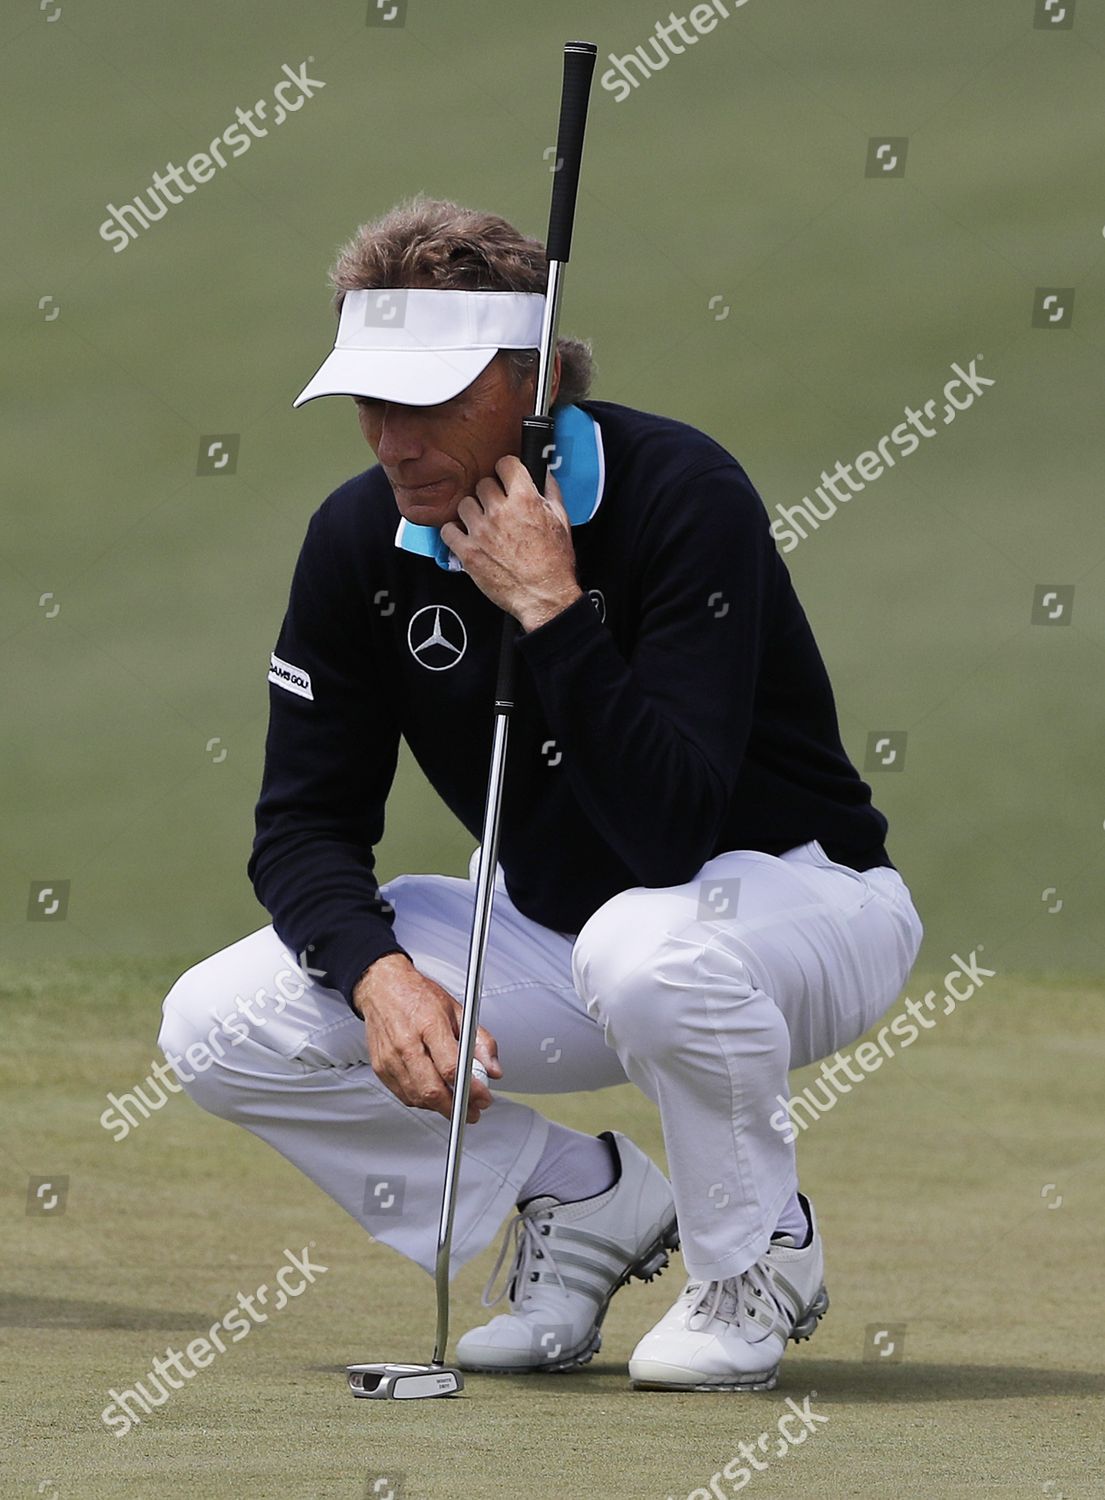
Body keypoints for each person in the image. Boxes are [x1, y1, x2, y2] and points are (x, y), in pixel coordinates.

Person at [158, 197, 923, 1392]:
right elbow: (302, 827)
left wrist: (551, 609)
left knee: (646, 943)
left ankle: (752, 1261)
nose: (390, 442)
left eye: (426, 404)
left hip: (797, 910)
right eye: (371, 404)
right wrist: (379, 974)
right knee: (216, 1024)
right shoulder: (360, 541)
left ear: (533, 378)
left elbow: (668, 828)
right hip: (560, 929)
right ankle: (581, 1199)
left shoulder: (681, 492)